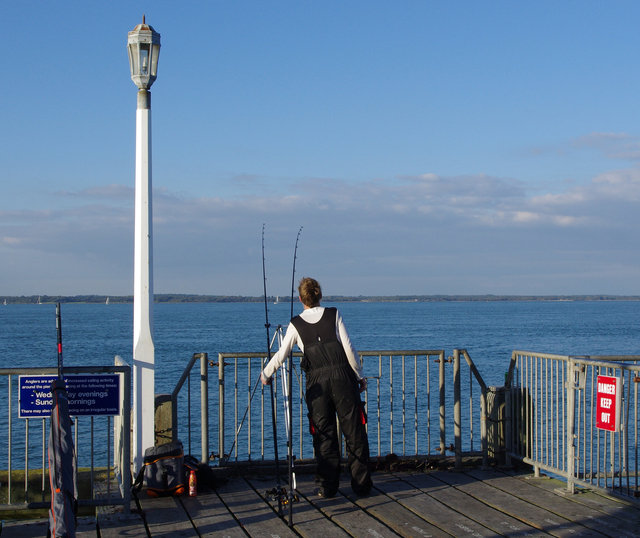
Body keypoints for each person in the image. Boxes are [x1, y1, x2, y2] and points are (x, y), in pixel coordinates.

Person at [261, 277, 372, 498]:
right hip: (343, 379)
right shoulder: (334, 314)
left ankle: (328, 487)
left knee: (323, 434)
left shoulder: (296, 324)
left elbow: (281, 355)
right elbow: (349, 349)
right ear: (319, 295)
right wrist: (359, 376)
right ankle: (361, 485)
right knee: (354, 433)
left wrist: (266, 373)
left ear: (300, 298)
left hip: (316, 383)